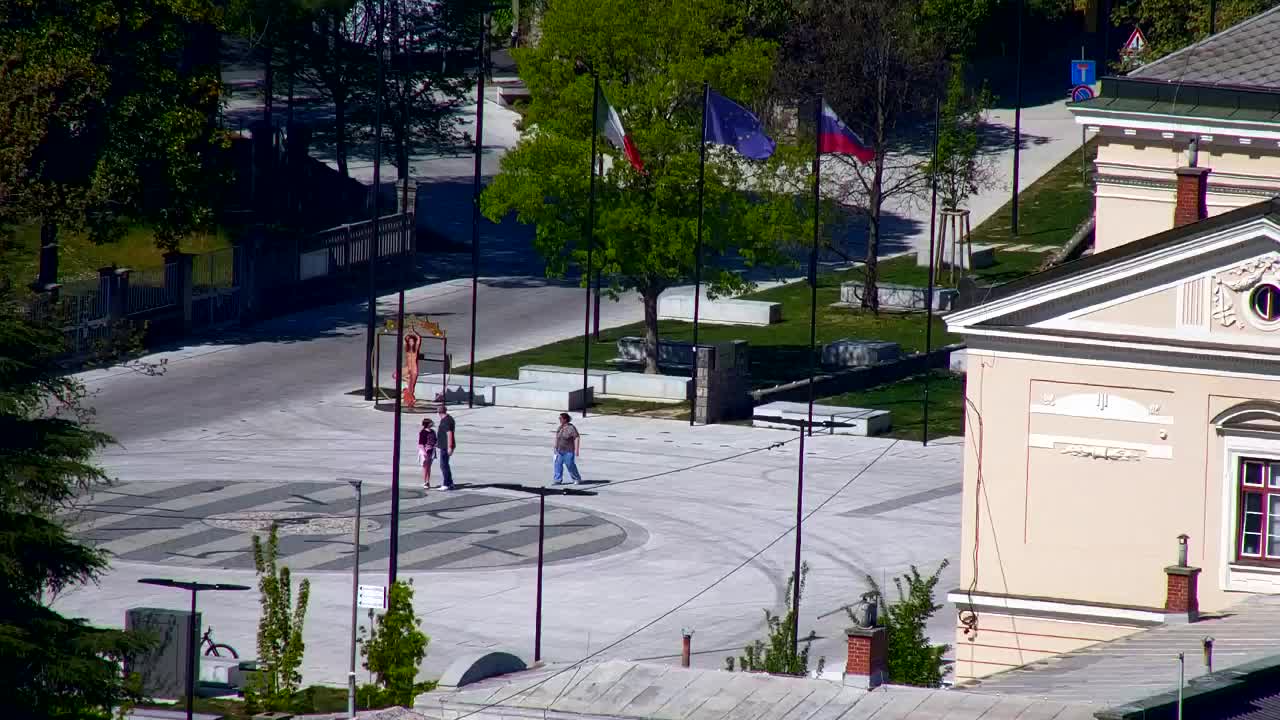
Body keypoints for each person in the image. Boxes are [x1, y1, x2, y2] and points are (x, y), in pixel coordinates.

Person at [552, 413, 582, 486]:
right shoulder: (560, 427)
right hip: (559, 450)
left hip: (568, 451)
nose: (559, 420)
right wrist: (555, 446)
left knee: (570, 465)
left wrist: (577, 450)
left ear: (565, 419)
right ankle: (557, 480)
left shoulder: (571, 428)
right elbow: (557, 437)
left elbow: (577, 437)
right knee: (557, 465)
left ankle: (576, 478)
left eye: (561, 418)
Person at [436, 404, 456, 490]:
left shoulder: (446, 421)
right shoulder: (448, 418)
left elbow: (449, 434)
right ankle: (450, 482)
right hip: (444, 445)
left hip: (446, 446)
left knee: (443, 465)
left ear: (439, 412)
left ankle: (446, 484)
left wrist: (449, 447)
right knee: (445, 465)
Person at [417, 418, 437, 489]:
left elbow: (435, 440)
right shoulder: (423, 432)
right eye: (431, 422)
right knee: (425, 467)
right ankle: (425, 482)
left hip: (432, 450)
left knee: (429, 467)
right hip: (425, 451)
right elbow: (421, 444)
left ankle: (428, 481)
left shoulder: (433, 431)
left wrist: (435, 445)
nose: (432, 423)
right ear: (427, 424)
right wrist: (424, 452)